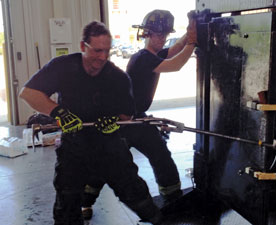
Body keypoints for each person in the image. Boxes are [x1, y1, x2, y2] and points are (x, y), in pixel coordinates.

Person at [19, 21, 162, 225]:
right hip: (73, 145)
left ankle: (158, 220)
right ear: (82, 46)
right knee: (66, 204)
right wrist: (58, 112)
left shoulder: (118, 77)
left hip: (109, 145)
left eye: (106, 51)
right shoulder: (63, 67)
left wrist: (114, 120)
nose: (102, 57)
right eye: (97, 50)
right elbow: (28, 93)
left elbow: (127, 116)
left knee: (136, 194)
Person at [82, 9, 198, 220]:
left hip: (138, 118)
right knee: (105, 164)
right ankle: (83, 203)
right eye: (157, 34)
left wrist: (189, 34)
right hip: (121, 121)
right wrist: (192, 43)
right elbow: (176, 64)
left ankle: (173, 199)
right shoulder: (143, 58)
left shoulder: (152, 55)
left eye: (164, 34)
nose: (161, 39)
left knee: (161, 156)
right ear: (146, 34)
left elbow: (173, 50)